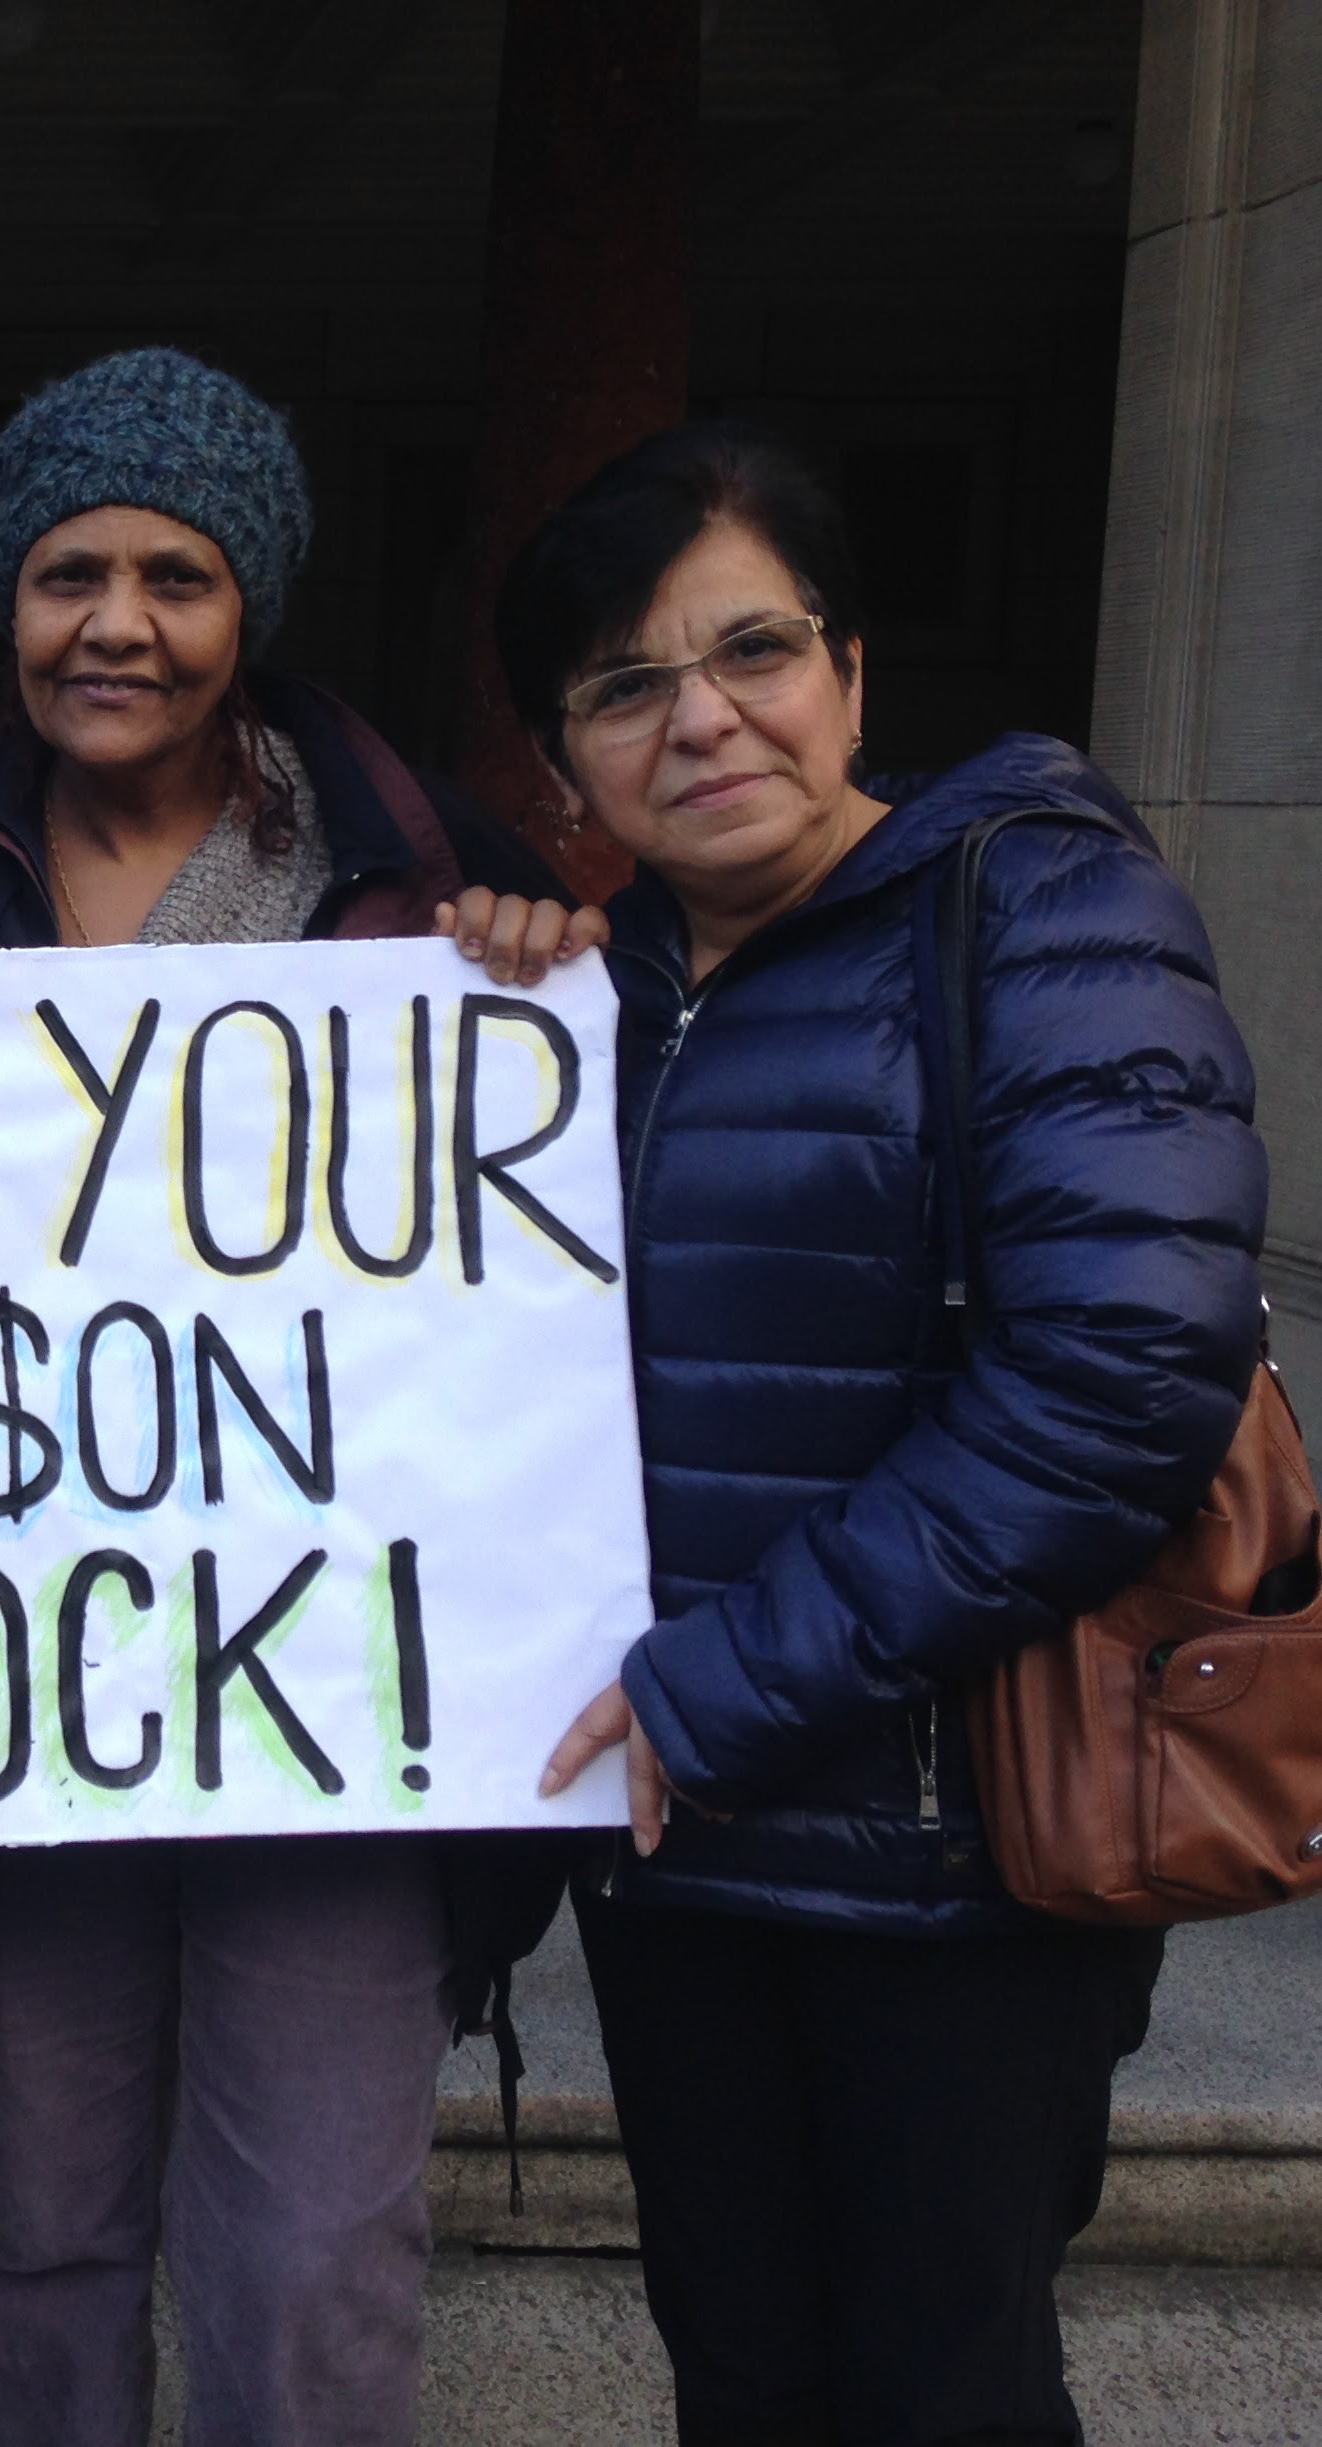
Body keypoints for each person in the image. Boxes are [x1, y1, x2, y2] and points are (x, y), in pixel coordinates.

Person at [0, 346, 593, 2447]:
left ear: (249, 604)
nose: (117, 625)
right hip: (20, 1673)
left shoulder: (419, 871)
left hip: (322, 1701)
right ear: (3, 600)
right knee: (43, 2220)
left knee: (313, 2244)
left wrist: (522, 968)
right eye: (66, 573)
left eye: (175, 577)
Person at [514, 425, 1265, 2447]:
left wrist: (724, 1689)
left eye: (751, 650)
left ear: (848, 670)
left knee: (946, 2388)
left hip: (960, 1859)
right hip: (676, 1864)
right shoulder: (588, 996)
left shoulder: (1042, 909)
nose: (700, 719)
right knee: (742, 2371)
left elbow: (1121, 1383)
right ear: (564, 762)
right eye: (623, 686)